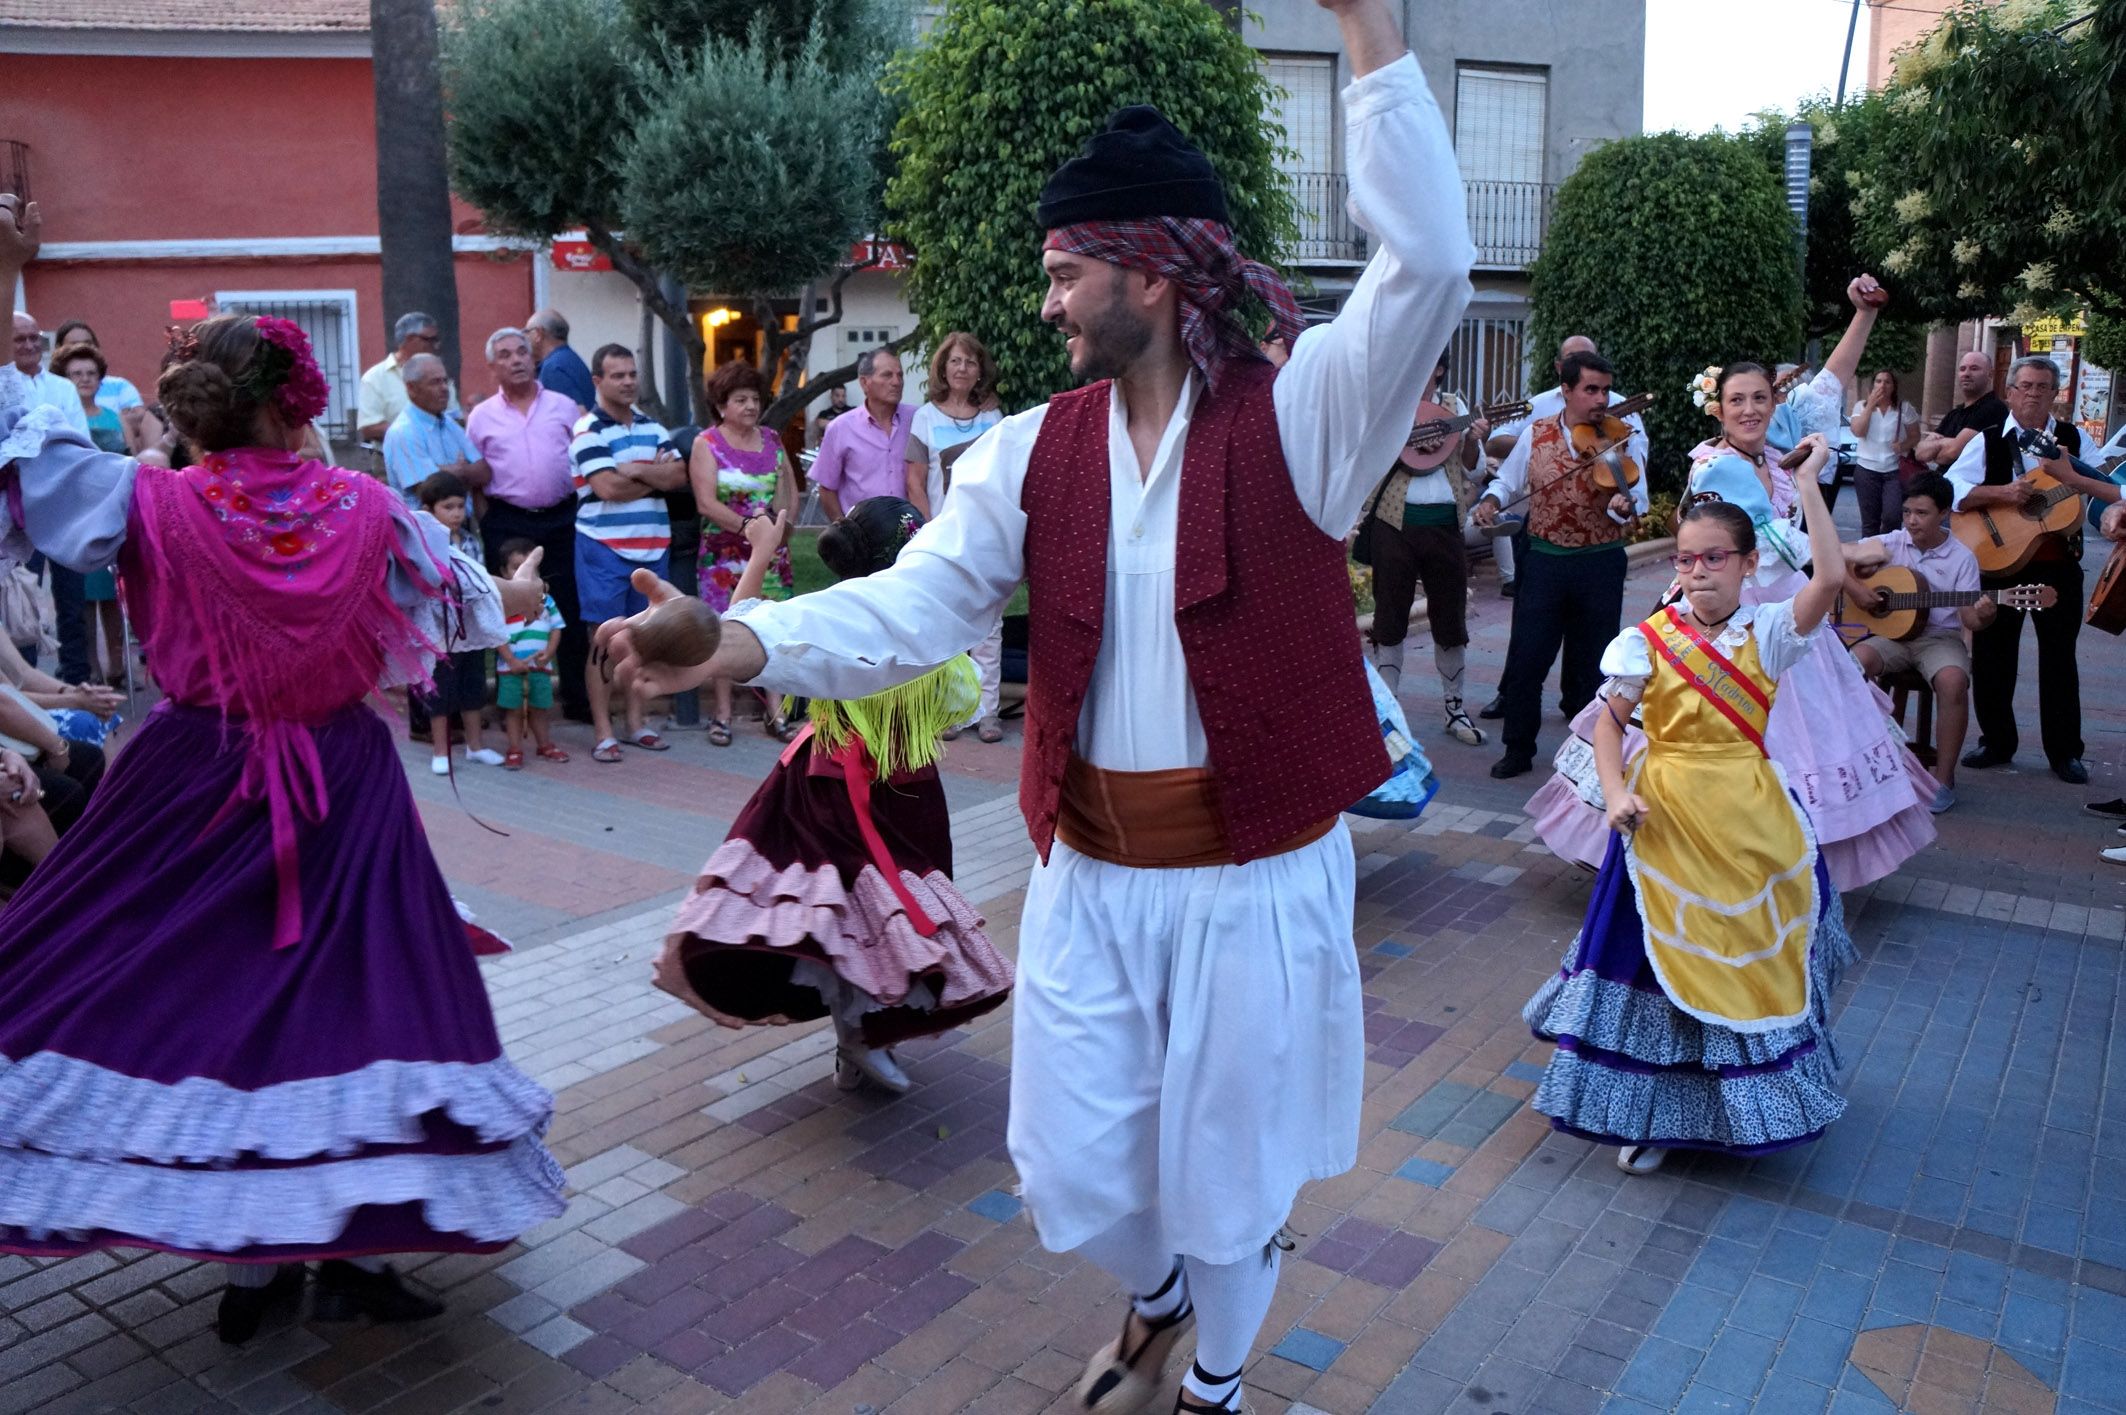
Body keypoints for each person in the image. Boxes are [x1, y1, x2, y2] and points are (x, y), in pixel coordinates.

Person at [598, 4, 1470, 1408]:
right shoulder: (1025, 450)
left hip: (1252, 877)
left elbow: (1427, 259)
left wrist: (1366, 27)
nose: (1046, 300)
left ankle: (1217, 1383)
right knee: (1070, 1165)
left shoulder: (1304, 413)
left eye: (1066, 271)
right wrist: (734, 646)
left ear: (1148, 268)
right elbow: (911, 606)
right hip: (1089, 871)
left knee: (1230, 1172)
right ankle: (1161, 1297)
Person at [0, 227, 565, 1345]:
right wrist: (519, 582)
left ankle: (265, 1255)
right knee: (354, 1000)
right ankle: (316, 1250)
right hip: (338, 782)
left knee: (204, 999)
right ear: (297, 405)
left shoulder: (142, 499)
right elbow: (469, 613)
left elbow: (28, 470)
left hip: (188, 780)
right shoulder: (368, 508)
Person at [1523, 443, 1855, 1177]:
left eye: (1713, 559)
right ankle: (1657, 1117)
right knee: (1660, 970)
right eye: (1685, 559)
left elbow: (1830, 576)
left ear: (1744, 563)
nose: (1697, 571)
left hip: (1750, 820)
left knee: (1747, 967)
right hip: (1664, 823)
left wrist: (1805, 483)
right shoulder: (1644, 642)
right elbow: (1609, 722)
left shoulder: (1769, 632)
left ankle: (1744, 1110)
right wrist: (1615, 793)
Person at [657, 501, 1014, 1094]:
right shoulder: (932, 644)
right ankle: (856, 1038)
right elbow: (962, 704)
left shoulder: (824, 623)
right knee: (856, 915)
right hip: (871, 791)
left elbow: (744, 623)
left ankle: (859, 1040)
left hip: (847, 784)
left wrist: (764, 550)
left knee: (860, 917)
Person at [1473, 351, 1646, 779]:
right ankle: (1517, 747)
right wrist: (1491, 501)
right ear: (1566, 391)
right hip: (1546, 561)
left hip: (1600, 563)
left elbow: (1635, 502)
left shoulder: (1624, 436)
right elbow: (1507, 481)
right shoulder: (1537, 433)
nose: (1601, 399)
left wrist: (1623, 505)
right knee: (1529, 657)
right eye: (1591, 389)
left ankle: (1590, 754)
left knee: (1594, 665)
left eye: (1605, 389)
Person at [1944, 354, 2117, 783]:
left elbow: (2105, 491)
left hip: (2059, 567)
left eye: (2043, 387)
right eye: (2025, 386)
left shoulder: (2074, 441)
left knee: (2059, 660)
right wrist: (2003, 493)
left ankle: (2064, 753)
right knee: (1992, 657)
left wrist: (2101, 504)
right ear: (2009, 392)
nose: (2033, 395)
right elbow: (1949, 489)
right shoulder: (1985, 440)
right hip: (1998, 562)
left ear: (2056, 396)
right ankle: (1996, 742)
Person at [1359, 352, 1487, 746]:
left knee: (1450, 619)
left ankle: (1454, 709)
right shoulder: (1387, 405)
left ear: (1439, 369)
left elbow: (1474, 470)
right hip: (1394, 523)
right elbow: (1365, 457)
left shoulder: (1454, 407)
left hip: (1444, 524)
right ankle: (1387, 716)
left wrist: (1470, 439)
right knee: (1390, 618)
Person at [464, 326, 590, 723]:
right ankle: (510, 704)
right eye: (505, 354)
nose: (516, 359)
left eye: (521, 351)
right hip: (508, 521)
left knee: (566, 605)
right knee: (509, 609)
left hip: (562, 518)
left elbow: (584, 455)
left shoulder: (565, 406)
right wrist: (489, 518)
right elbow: (477, 474)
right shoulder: (481, 418)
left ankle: (578, 700)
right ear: (492, 367)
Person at [1841, 474, 1988, 813]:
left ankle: (1944, 779)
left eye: (1921, 513)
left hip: (1938, 638)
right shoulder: (1891, 543)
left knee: (1953, 682)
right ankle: (1863, 763)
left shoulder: (1962, 558)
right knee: (1849, 666)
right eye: (1907, 512)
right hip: (1890, 637)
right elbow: (1835, 560)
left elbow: (1970, 619)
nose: (1911, 521)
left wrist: (1984, 614)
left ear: (1944, 513)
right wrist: (1858, 591)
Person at [571, 343, 688, 762]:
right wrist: (652, 476)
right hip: (602, 549)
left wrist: (636, 471)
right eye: (617, 375)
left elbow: (678, 475)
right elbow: (607, 488)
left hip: (652, 549)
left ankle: (637, 723)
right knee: (603, 640)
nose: (627, 382)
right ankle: (604, 731)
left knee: (644, 638)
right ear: (598, 381)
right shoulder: (588, 430)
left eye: (632, 374)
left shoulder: (653, 428)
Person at [688, 360, 800, 746]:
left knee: (771, 627)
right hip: (724, 557)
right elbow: (705, 503)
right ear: (721, 405)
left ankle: (776, 711)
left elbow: (789, 493)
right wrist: (748, 530)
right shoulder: (707, 444)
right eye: (741, 399)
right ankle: (722, 714)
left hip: (771, 555)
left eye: (755, 399)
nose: (751, 406)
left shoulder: (772, 439)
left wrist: (779, 532)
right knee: (724, 630)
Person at [906, 332, 1007, 742]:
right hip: (942, 536)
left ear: (979, 369)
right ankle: (950, 712)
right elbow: (914, 481)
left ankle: (987, 712)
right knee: (946, 627)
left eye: (970, 362)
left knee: (989, 627)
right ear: (942, 369)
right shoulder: (925, 417)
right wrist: (932, 529)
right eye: (955, 362)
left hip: (983, 535)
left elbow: (1003, 473)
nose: (962, 368)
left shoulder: (993, 417)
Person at [13, 315, 93, 683]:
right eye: (20, 340)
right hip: (18, 511)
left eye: (35, 339)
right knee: (22, 601)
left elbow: (77, 440)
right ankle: (28, 680)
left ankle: (75, 677)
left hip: (63, 506)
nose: (30, 346)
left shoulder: (62, 388)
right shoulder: (3, 387)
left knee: (71, 599)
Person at [52, 343, 135, 684]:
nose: (85, 379)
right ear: (65, 380)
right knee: (81, 597)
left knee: (112, 595)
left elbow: (130, 458)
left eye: (90, 373)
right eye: (76, 374)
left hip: (111, 510)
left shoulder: (114, 417)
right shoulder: (59, 418)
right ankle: (90, 669)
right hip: (76, 515)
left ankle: (117, 664)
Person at [413, 472, 505, 775]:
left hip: (471, 625)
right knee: (440, 690)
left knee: (473, 685)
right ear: (428, 510)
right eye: (447, 507)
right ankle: (441, 751)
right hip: (440, 630)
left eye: (459, 506)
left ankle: (475, 746)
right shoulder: (424, 545)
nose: (456, 514)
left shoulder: (469, 541)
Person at [810, 348, 913, 522]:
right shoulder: (841, 428)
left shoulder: (917, 419)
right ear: (865, 383)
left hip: (912, 532)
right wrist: (844, 531)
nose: (896, 382)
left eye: (900, 375)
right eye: (887, 375)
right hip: (863, 534)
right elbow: (827, 487)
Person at [495, 538, 568, 770]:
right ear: (504, 573)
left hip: (540, 666)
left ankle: (544, 744)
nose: (524, 572)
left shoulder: (546, 600)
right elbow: (495, 635)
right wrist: (511, 660)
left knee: (540, 707)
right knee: (513, 710)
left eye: (530, 566)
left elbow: (556, 627)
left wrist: (549, 652)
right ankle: (514, 748)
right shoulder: (501, 602)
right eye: (516, 567)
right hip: (510, 669)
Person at [383, 353, 487, 509]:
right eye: (435, 382)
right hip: (424, 530)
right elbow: (430, 491)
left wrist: (447, 471)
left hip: (460, 528)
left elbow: (484, 472)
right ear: (411, 388)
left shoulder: (449, 423)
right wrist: (463, 472)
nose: (445, 388)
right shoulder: (403, 432)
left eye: (445, 381)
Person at [357, 311, 451, 444]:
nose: (436, 346)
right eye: (430, 340)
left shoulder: (439, 373)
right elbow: (369, 428)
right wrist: (418, 434)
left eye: (437, 340)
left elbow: (453, 414)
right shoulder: (375, 377)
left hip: (441, 454)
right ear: (410, 339)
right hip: (391, 459)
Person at [1914, 348, 2008, 471]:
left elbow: (1950, 454)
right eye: (1962, 369)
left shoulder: (1993, 409)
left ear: (1990, 374)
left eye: (1974, 368)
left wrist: (1939, 444)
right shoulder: (1954, 414)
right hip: (1946, 485)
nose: (1966, 374)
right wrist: (1948, 443)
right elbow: (1920, 453)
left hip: (1976, 487)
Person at [1849, 369, 1919, 536]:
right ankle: (1868, 558)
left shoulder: (1904, 408)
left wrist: (1902, 446)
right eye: (1878, 381)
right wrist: (1870, 405)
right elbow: (1858, 431)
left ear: (1893, 387)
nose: (1882, 385)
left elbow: (1915, 436)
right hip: (1866, 470)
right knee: (1869, 522)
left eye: (1887, 382)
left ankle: (1888, 553)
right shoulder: (1861, 406)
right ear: (1873, 385)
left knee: (1892, 517)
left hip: (1893, 471)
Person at [50, 321, 144, 413]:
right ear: (59, 349)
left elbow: (138, 417)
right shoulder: (49, 389)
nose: (82, 348)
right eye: (74, 344)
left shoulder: (120, 386)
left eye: (88, 343)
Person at [527, 308, 596, 411]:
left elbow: (576, 414)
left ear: (538, 334)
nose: (525, 337)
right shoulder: (571, 359)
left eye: (527, 332)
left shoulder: (553, 368)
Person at [808, 385, 851, 449]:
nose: (841, 399)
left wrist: (831, 424)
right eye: (837, 395)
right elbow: (821, 424)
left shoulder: (852, 411)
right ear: (831, 396)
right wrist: (844, 424)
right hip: (829, 448)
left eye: (843, 396)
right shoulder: (824, 413)